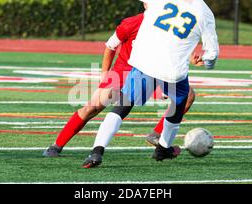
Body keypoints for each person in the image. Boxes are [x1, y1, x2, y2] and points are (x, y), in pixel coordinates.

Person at [42, 2, 198, 157]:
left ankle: (156, 134)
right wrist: (105, 74)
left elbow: (178, 48)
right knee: (93, 107)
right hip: (124, 71)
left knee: (188, 95)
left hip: (153, 72)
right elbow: (110, 46)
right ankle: (57, 145)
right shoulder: (132, 23)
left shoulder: (169, 27)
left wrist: (192, 57)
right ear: (145, 5)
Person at [82, 0, 219, 168]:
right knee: (179, 103)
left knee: (122, 106)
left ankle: (96, 151)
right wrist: (205, 61)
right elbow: (212, 54)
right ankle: (163, 148)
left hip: (144, 60)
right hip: (172, 69)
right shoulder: (205, 13)